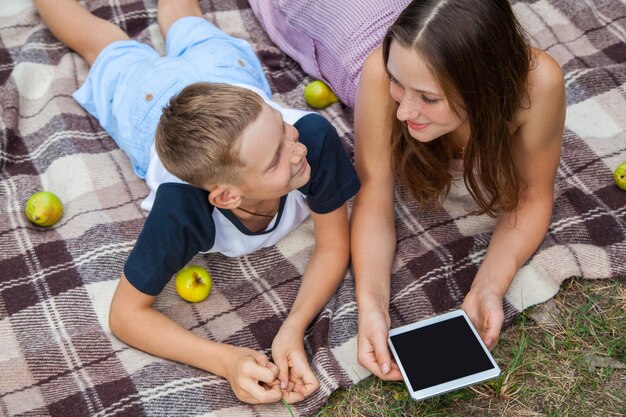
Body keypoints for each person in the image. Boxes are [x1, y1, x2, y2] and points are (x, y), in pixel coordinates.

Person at [35, 0, 360, 404]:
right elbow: (125, 315)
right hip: (148, 100)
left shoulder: (309, 136)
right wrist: (225, 360)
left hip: (226, 78)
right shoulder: (181, 209)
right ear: (226, 197)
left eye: (282, 126)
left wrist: (293, 327)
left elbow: (333, 245)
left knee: (185, 17)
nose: (296, 151)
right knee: (101, 41)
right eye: (277, 157)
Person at [250, 0, 565, 381]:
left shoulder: (538, 83)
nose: (403, 113)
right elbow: (373, 197)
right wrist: (371, 306)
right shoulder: (380, 72)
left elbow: (532, 195)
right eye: (398, 85)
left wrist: (488, 286)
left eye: (428, 99)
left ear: (485, 86)